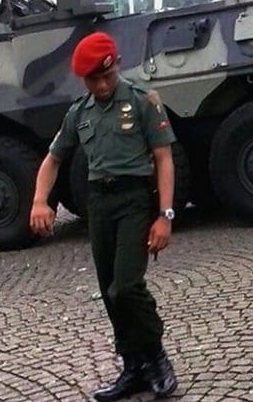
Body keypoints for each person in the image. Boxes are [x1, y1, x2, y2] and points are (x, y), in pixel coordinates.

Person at [29, 32, 177, 401]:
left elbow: (163, 158)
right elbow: (53, 159)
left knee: (125, 286)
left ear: (117, 65)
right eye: (93, 79)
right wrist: (38, 201)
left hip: (134, 200)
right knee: (110, 292)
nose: (102, 84)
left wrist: (165, 215)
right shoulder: (80, 112)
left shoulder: (144, 101)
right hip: (99, 203)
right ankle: (133, 368)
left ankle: (156, 355)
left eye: (106, 76)